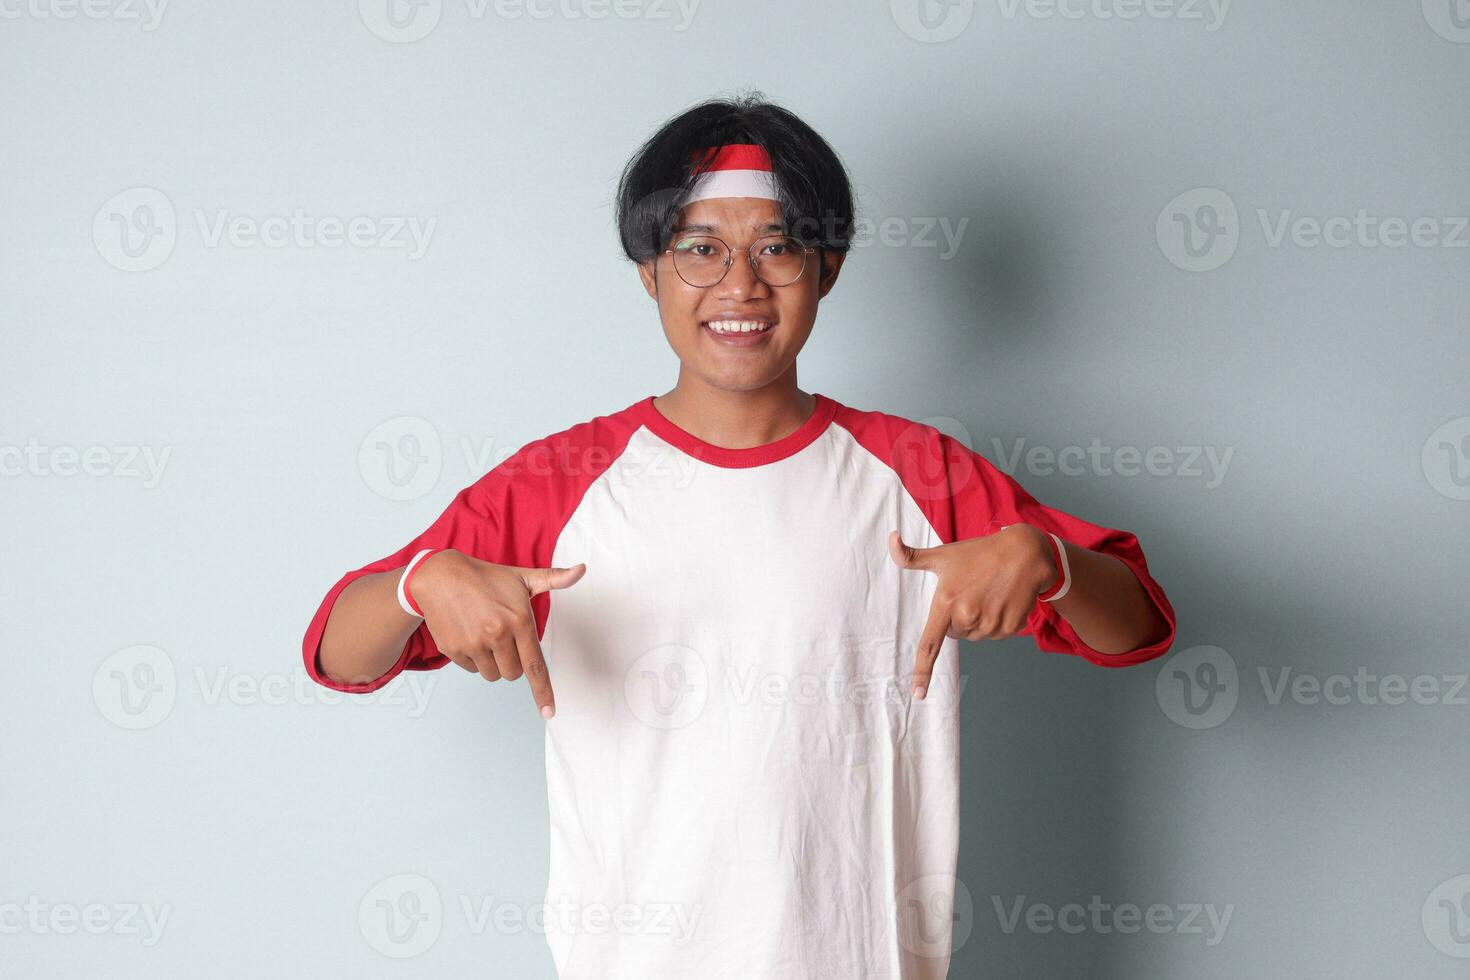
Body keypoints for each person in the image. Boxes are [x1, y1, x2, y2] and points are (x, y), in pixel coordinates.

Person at [302, 94, 1175, 979]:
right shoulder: (562, 480)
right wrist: (422, 581)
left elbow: (1137, 622)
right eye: (700, 249)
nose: (741, 285)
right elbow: (342, 649)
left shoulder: (916, 470)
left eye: (778, 246)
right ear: (649, 271)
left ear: (827, 267)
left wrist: (1050, 562)